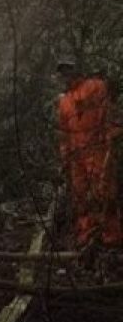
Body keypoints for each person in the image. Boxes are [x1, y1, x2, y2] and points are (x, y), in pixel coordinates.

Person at [55, 57, 121, 247]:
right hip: (77, 158)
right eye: (62, 72)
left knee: (104, 193)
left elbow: (107, 114)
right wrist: (65, 157)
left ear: (75, 69)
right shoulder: (64, 101)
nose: (65, 75)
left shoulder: (95, 86)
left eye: (67, 69)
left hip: (98, 150)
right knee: (81, 197)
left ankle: (111, 238)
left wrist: (111, 140)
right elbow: (64, 131)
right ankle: (88, 236)